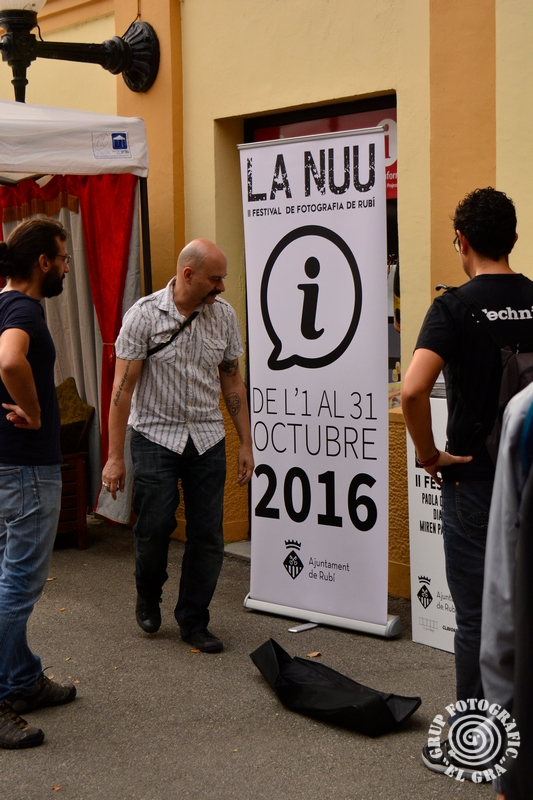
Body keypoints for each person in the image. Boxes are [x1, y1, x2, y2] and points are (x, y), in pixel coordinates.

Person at [401, 187, 533, 778]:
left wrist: (429, 454)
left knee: (479, 617)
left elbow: (412, 389)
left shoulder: (452, 307)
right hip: (532, 477)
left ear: (462, 241)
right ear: (513, 239)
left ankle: (475, 742)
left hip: (477, 483)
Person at [102, 238, 254, 653]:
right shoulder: (144, 316)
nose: (222, 287)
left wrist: (247, 443)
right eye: (215, 279)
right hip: (155, 436)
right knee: (154, 527)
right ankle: (148, 593)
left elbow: (232, 381)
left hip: (207, 438)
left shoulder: (224, 316)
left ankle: (194, 620)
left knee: (208, 535)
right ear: (188, 275)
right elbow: (122, 390)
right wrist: (114, 457)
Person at [0, 218, 76, 750]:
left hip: (9, 465)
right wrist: (32, 409)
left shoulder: (4, 303)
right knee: (19, 585)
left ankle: (22, 679)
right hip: (25, 468)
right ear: (42, 262)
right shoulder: (24, 310)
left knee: (8, 577)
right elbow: (10, 360)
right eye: (63, 258)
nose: (67, 267)